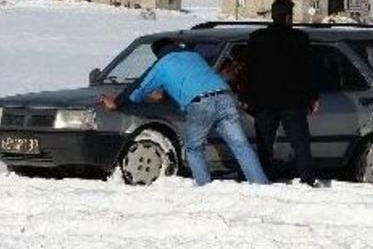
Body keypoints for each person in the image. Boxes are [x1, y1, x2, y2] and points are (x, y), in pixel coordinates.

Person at [101, 38, 268, 186]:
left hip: (201, 104)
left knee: (194, 147)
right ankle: (260, 184)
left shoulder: (163, 63)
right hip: (225, 97)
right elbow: (193, 79)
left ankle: (204, 186)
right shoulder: (194, 57)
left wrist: (117, 102)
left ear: (158, 53)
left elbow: (138, 89)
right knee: (241, 145)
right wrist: (166, 94)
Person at [242, 0, 320, 186]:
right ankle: (307, 179)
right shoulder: (300, 39)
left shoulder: (257, 38)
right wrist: (312, 97)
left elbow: (248, 70)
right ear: (288, 17)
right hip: (293, 101)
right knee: (300, 143)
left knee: (264, 143)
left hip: (264, 101)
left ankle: (264, 178)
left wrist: (245, 97)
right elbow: (307, 71)